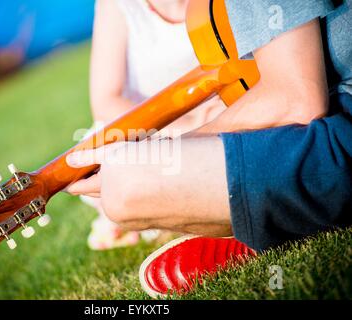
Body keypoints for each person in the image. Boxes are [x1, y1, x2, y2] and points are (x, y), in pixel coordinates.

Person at [67, 0, 352, 297]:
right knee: (121, 174)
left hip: (324, 118)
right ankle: (248, 210)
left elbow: (296, 99)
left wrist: (170, 151)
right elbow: (106, 100)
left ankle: (253, 220)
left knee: (127, 185)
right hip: (262, 114)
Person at [84, 0, 226, 250]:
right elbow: (106, 100)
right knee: (98, 154)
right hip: (150, 129)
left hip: (223, 113)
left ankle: (161, 209)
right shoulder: (115, 5)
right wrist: (185, 127)